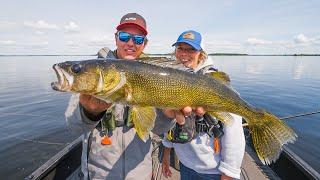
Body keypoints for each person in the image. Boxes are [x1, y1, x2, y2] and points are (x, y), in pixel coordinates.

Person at [66, 13, 200, 180]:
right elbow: (74, 127)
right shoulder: (93, 74)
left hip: (139, 174)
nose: (130, 43)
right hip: (98, 175)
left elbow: (159, 130)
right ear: (116, 39)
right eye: (124, 36)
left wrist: (166, 117)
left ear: (144, 44)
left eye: (137, 39)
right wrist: (89, 112)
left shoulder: (154, 75)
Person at [161, 30, 245, 180]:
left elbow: (234, 131)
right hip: (185, 165)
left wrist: (229, 173)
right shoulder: (172, 78)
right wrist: (166, 153)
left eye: (191, 49)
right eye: (180, 48)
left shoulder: (212, 82)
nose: (184, 54)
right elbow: (172, 122)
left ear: (201, 53)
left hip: (213, 171)